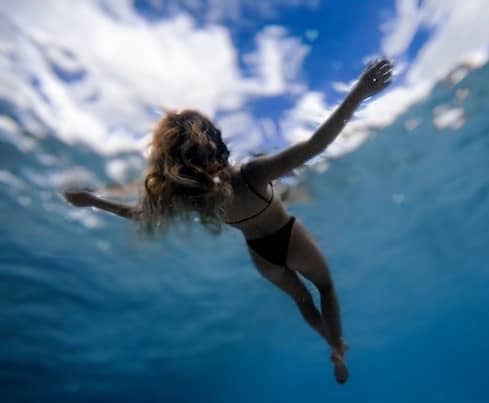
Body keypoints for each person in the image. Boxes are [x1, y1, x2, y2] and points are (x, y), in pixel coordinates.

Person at [64, 59, 393, 384]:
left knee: (303, 301)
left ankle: (333, 346)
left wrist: (94, 201)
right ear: (216, 142)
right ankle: (337, 347)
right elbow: (315, 145)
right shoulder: (251, 173)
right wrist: (359, 93)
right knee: (325, 287)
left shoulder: (194, 198)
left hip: (262, 256)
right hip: (288, 235)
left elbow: (139, 214)